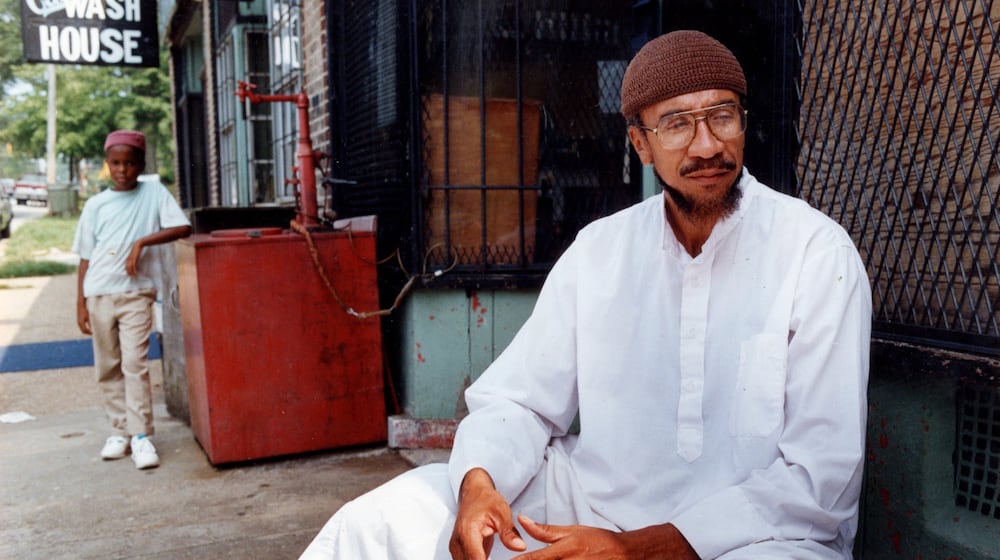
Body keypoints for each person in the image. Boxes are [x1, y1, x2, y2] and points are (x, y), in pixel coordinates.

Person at [300, 29, 871, 559]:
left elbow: (819, 477)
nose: (706, 146)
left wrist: (634, 549)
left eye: (722, 116)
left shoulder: (816, 253)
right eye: (676, 124)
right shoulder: (600, 251)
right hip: (593, 505)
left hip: (749, 536)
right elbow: (519, 400)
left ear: (743, 123)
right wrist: (479, 485)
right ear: (641, 145)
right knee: (382, 522)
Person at [72, 130, 192, 470]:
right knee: (107, 366)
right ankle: (118, 431)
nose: (122, 170)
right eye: (115, 163)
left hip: (136, 292)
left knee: (135, 364)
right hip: (98, 292)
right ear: (107, 165)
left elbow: (182, 228)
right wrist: (80, 302)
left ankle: (141, 436)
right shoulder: (96, 205)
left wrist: (141, 243)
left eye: (129, 163)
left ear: (140, 164)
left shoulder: (153, 193)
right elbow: (84, 257)